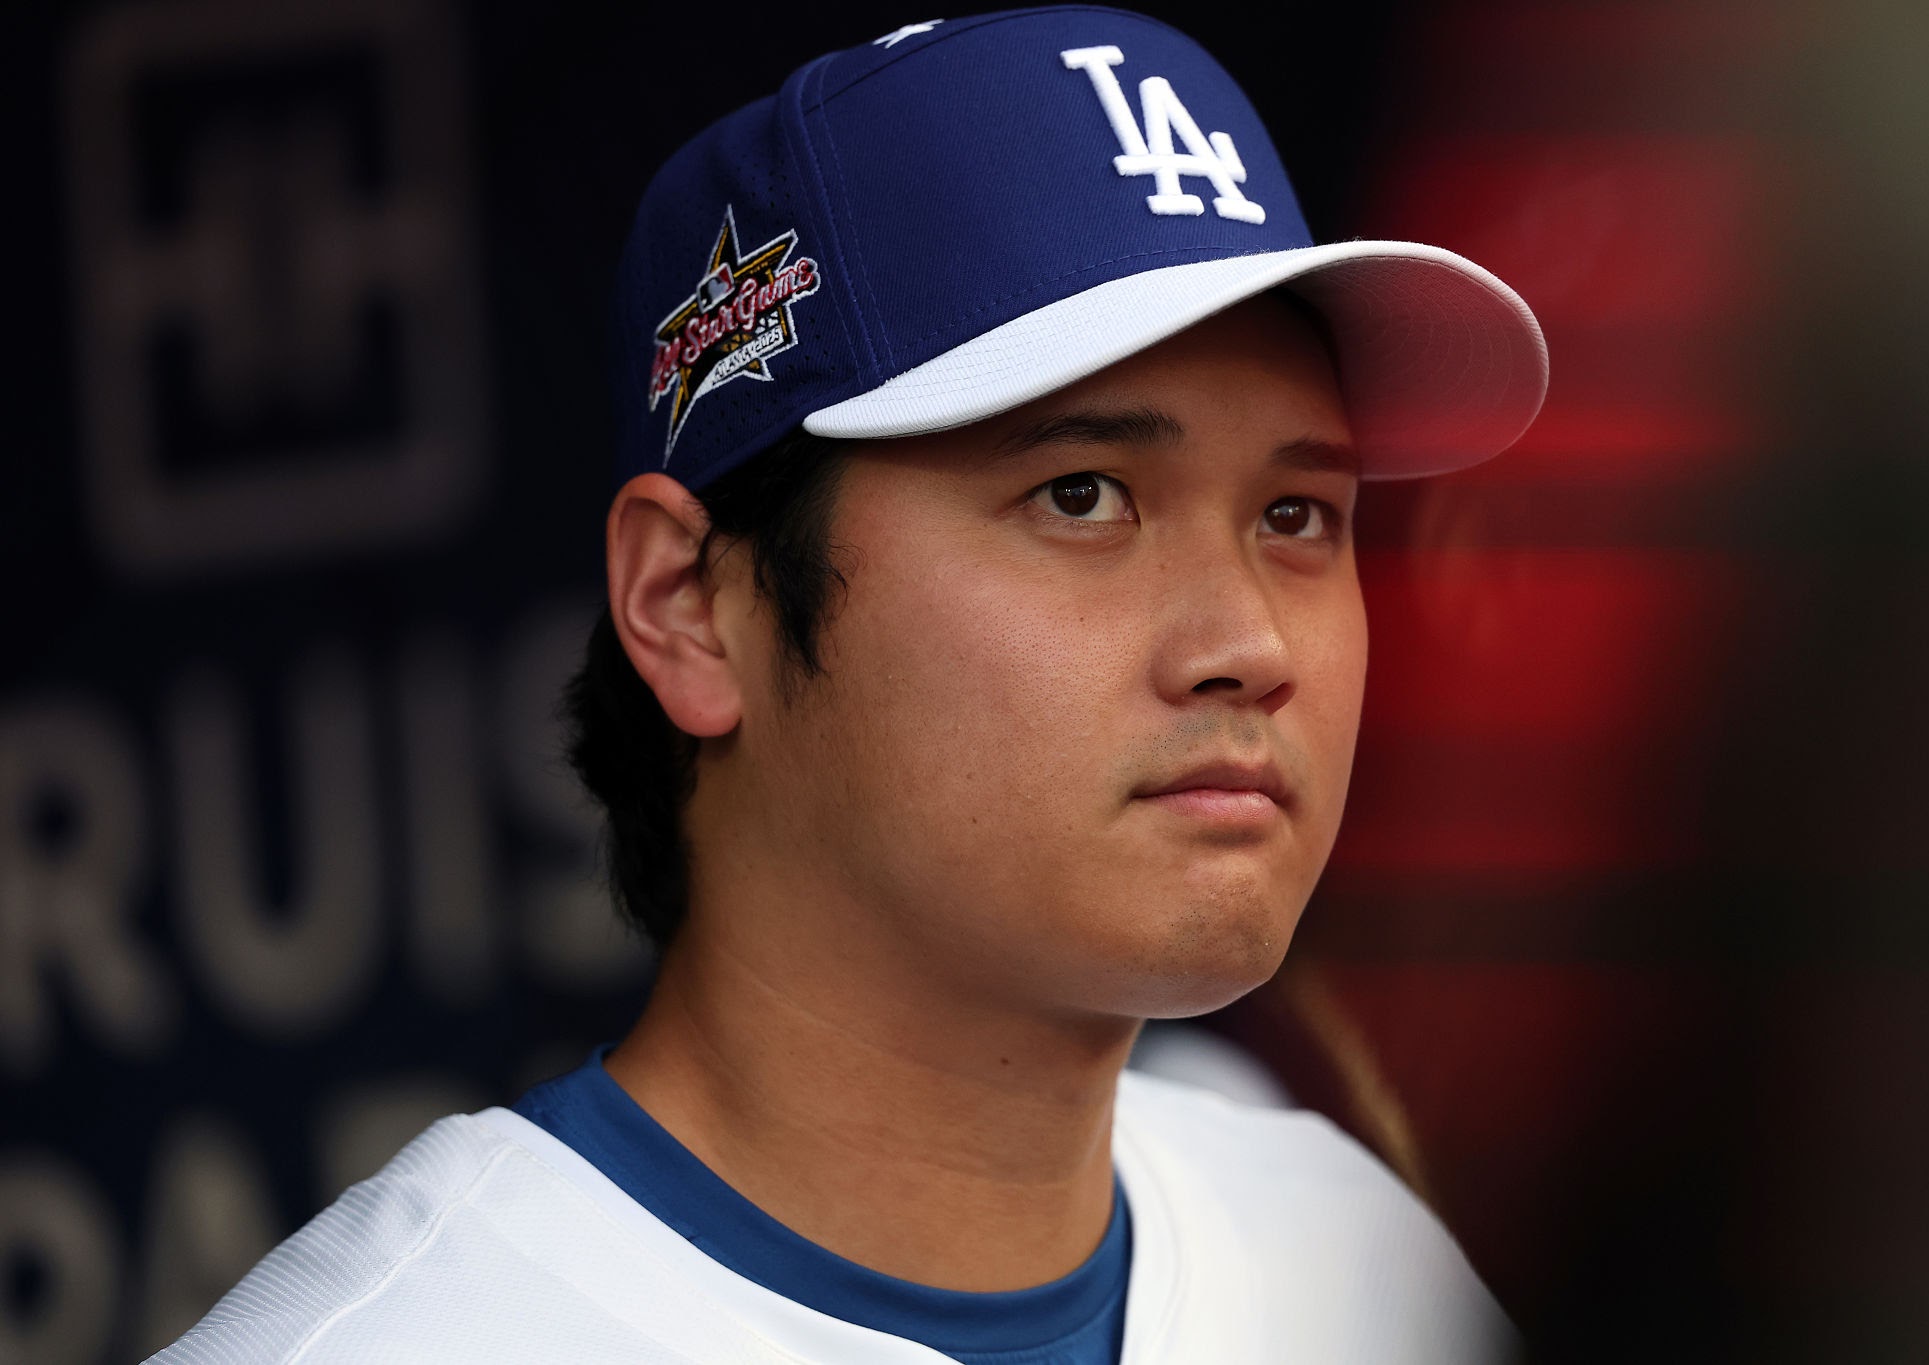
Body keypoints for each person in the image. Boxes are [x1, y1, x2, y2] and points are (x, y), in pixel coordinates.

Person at [153, 8, 1546, 1362]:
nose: (1251, 641)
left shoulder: (1367, 1265)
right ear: (690, 607)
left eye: (1297, 515)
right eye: (1082, 494)